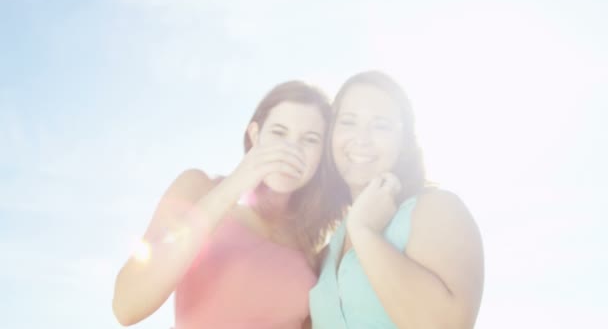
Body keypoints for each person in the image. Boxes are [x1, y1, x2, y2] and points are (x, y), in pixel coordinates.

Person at [112, 81, 342, 329]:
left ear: (322, 155)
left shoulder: (309, 243)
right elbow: (127, 307)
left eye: (309, 140)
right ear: (255, 135)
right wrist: (233, 187)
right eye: (279, 132)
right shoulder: (199, 189)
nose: (291, 149)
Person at [309, 71, 485, 328]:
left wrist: (364, 231)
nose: (362, 138)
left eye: (381, 125)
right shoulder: (327, 249)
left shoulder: (436, 210)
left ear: (403, 142)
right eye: (348, 122)